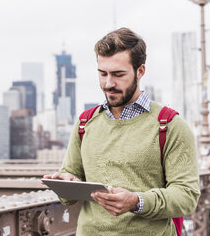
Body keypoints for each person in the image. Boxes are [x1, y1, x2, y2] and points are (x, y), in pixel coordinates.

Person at [43, 28, 200, 235]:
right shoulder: (85, 123)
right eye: (103, 74)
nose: (109, 83)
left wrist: (137, 201)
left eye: (118, 74)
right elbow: (70, 193)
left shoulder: (170, 125)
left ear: (140, 71)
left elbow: (186, 197)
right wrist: (66, 184)